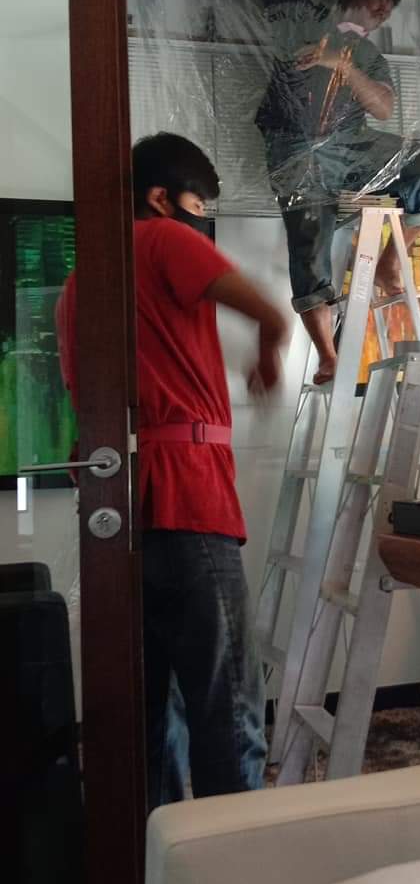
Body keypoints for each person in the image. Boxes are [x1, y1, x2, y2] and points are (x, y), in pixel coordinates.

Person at [56, 132, 289, 809]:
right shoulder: (163, 238)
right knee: (228, 705)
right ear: (161, 198)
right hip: (190, 497)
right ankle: (232, 856)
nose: (201, 219)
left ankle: (153, 854)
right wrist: (268, 354)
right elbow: (270, 313)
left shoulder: (79, 282)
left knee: (148, 713)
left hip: (118, 512)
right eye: (198, 205)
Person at [257, 0, 420, 383]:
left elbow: (383, 109)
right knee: (310, 249)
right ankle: (328, 356)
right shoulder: (302, 24)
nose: (385, 9)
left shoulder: (369, 55)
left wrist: (342, 63)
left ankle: (389, 262)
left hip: (351, 147)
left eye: (392, 5)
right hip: (298, 153)